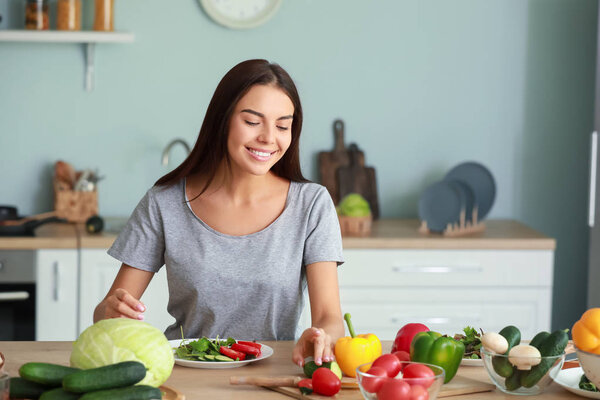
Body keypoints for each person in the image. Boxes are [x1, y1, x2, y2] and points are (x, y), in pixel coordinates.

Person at [93, 59, 345, 367]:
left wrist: (322, 337)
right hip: (186, 374)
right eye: (253, 122)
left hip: (274, 376)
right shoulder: (164, 202)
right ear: (222, 121)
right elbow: (106, 312)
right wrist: (111, 313)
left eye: (282, 126)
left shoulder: (312, 204)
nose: (268, 137)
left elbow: (329, 317)